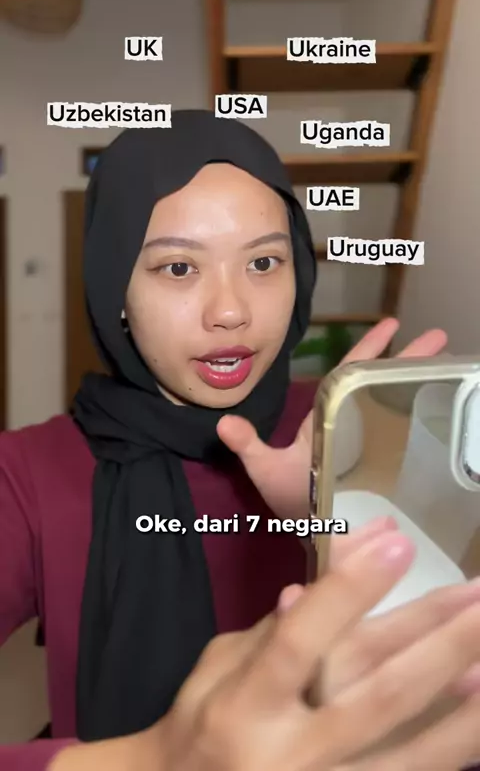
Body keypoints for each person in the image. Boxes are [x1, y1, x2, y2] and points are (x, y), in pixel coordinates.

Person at [0, 109, 478, 770]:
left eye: (264, 261)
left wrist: (327, 524)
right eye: (178, 268)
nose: (231, 311)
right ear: (116, 290)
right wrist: (155, 759)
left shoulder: (357, 425)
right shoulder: (26, 474)